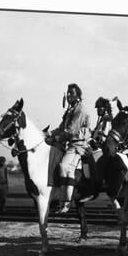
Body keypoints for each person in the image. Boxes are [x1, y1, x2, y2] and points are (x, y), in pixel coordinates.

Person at [47, 83, 92, 213]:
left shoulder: (80, 109)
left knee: (64, 167)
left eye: (71, 93)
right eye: (67, 92)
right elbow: (62, 128)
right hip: (70, 144)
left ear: (77, 95)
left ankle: (66, 203)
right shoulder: (70, 110)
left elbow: (71, 130)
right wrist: (48, 134)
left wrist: (56, 138)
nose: (68, 95)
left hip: (78, 145)